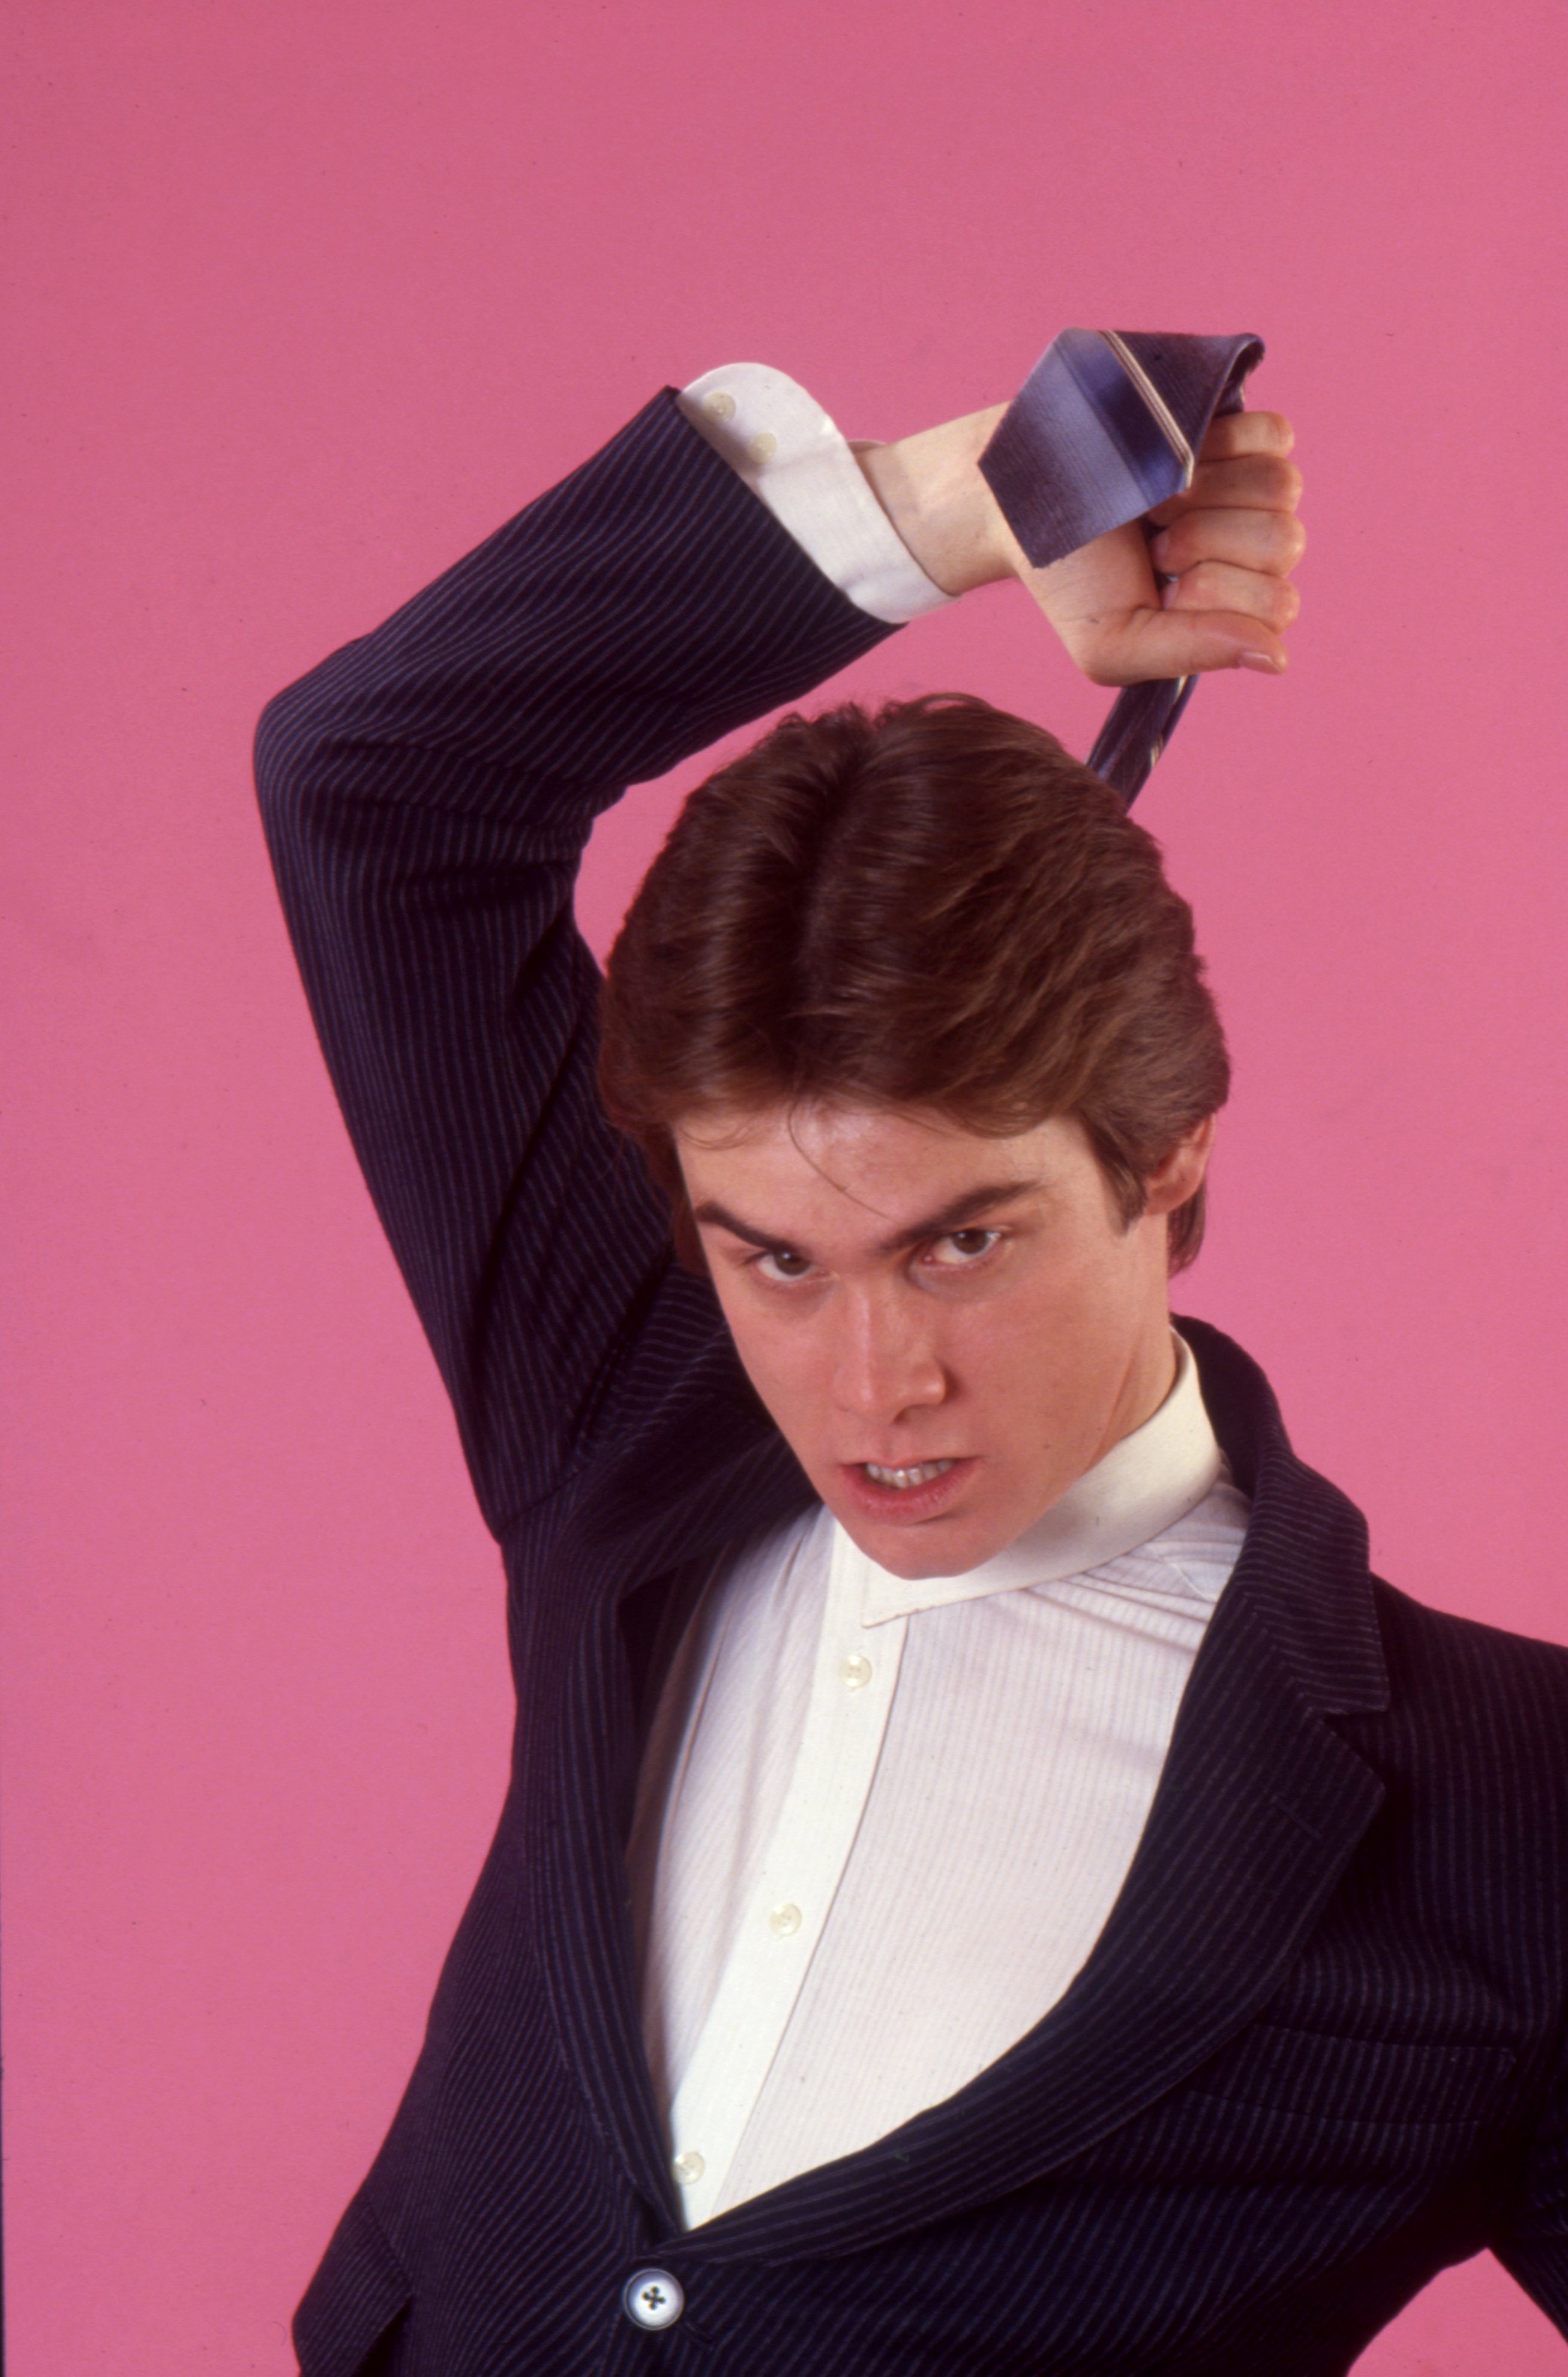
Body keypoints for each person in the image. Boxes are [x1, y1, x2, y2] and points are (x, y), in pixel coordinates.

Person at [255, 348, 1568, 2377]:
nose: (870, 1387)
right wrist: (985, 494)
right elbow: (379, 781)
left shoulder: (1505, 1808)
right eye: (774, 1258)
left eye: (963, 1243)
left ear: (1168, 1158)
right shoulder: (635, 1421)